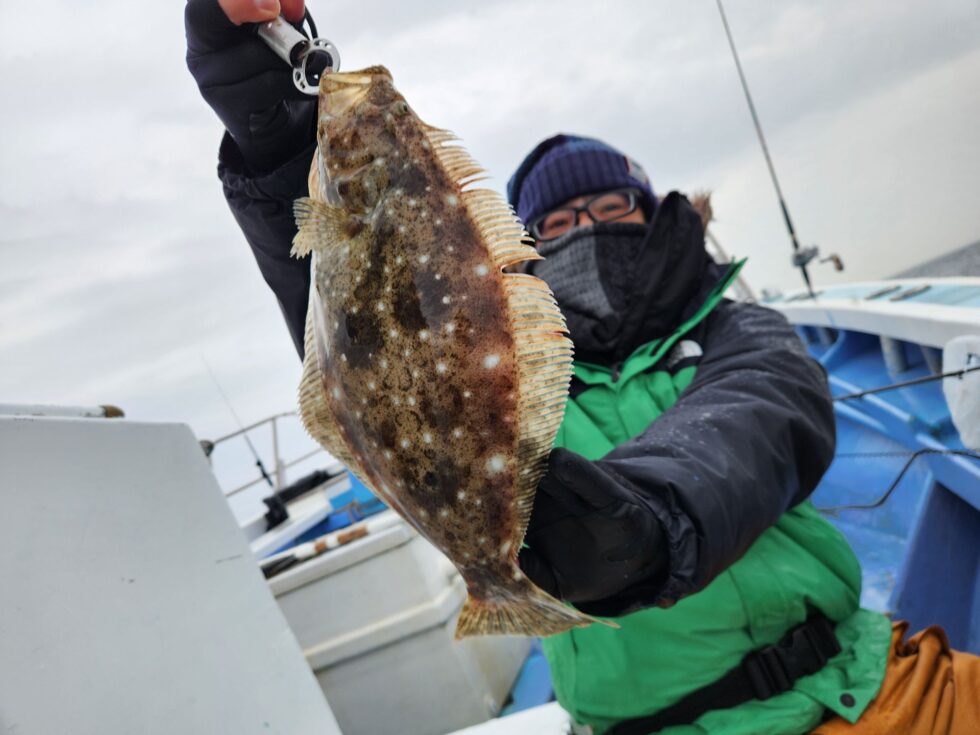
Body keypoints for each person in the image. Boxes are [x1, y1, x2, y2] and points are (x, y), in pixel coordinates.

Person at [185, 2, 980, 732]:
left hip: (866, 681)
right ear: (522, 240)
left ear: (656, 212)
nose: (589, 230)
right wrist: (270, 111)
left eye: (610, 209)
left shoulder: (738, 331)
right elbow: (350, 299)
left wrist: (653, 519)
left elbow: (765, 421)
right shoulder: (514, 373)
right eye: (561, 221)